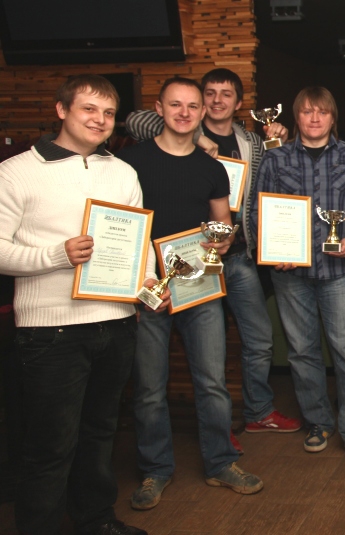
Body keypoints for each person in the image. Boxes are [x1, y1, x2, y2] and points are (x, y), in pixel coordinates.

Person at [0, 74, 169, 535]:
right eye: (89, 109)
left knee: (99, 435)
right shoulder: (16, 171)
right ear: (62, 110)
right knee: (50, 446)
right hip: (50, 332)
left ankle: (96, 521)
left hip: (116, 324)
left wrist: (148, 283)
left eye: (109, 113)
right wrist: (55, 256)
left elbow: (138, 243)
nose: (100, 120)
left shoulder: (122, 172)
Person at [125, 68, 301, 454]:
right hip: (160, 273)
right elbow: (135, 119)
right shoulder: (148, 148)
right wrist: (197, 135)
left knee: (248, 346)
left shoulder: (248, 143)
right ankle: (171, 458)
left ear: (239, 103)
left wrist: (279, 139)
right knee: (165, 378)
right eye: (210, 93)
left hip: (230, 259)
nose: (216, 101)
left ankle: (249, 420)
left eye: (226, 94)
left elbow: (265, 189)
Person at [116, 77, 263, 511]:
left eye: (192, 106)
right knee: (148, 387)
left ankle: (220, 462)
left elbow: (222, 225)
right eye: (176, 105)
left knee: (212, 382)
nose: (184, 113)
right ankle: (155, 470)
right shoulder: (131, 162)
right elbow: (120, 227)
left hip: (198, 286)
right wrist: (135, 282)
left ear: (202, 112)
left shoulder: (212, 167)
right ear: (159, 109)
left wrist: (224, 240)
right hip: (148, 289)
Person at [249, 86, 345, 467]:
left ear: (332, 117)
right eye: (307, 111)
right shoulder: (275, 159)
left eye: (322, 112)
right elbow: (258, 211)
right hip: (290, 274)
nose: (314, 118)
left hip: (338, 270)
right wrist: (273, 250)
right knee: (302, 352)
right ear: (296, 117)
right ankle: (318, 422)